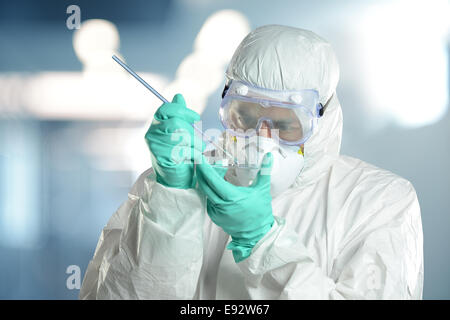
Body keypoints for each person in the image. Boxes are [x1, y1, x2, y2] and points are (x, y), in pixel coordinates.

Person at [79, 25, 423, 299]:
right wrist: (171, 202)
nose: (262, 138)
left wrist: (262, 241)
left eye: (286, 124)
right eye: (245, 116)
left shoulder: (378, 202)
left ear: (323, 120)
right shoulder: (175, 181)